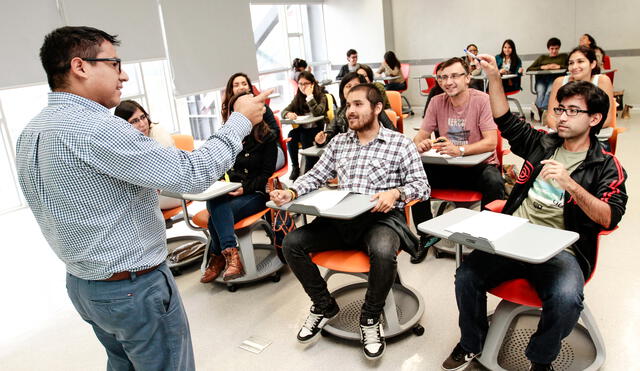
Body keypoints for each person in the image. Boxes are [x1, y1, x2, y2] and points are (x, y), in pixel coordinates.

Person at [15, 26, 270, 370]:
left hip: (85, 286)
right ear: (80, 66)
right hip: (133, 289)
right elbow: (194, 172)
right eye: (115, 63)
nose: (124, 75)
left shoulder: (32, 131)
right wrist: (239, 121)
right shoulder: (96, 128)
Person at [442, 53, 627, 371]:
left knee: (567, 298)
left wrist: (570, 184)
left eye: (573, 111)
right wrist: (495, 79)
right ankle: (472, 342)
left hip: (560, 250)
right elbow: (505, 120)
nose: (562, 117)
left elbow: (609, 216)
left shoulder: (605, 166)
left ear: (594, 119)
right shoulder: (544, 144)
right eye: (559, 109)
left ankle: (541, 358)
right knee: (466, 276)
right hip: (512, 237)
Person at [271, 84, 429, 360]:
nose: (350, 111)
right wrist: (292, 191)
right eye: (347, 105)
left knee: (382, 251)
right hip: (341, 218)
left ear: (377, 108)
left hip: (380, 218)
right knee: (292, 243)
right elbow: (316, 175)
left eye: (357, 105)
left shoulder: (399, 143)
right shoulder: (339, 142)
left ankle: (369, 318)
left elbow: (422, 186)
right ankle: (324, 306)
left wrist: (396, 193)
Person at [412, 57, 505, 263]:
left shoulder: (482, 100)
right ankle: (425, 236)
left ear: (468, 78)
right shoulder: (437, 101)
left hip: (478, 168)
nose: (448, 81)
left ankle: (486, 241)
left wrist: (460, 150)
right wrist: (421, 144)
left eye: (455, 75)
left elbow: (490, 142)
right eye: (443, 77)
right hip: (447, 168)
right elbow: (420, 136)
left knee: (494, 181)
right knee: (416, 176)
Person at [201, 92, 277, 283]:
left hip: (254, 193)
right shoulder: (227, 137)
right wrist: (222, 185)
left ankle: (218, 256)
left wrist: (244, 188)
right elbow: (217, 167)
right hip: (226, 193)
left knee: (215, 218)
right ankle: (231, 254)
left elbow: (265, 177)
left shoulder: (267, 137)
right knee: (216, 199)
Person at [114, 100, 180, 210]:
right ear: (123, 125)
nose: (142, 124)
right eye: (134, 121)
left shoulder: (157, 132)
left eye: (143, 117)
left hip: (172, 191)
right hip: (149, 193)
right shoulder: (124, 143)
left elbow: (167, 169)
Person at [315, 72, 396, 147]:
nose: (352, 90)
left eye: (356, 86)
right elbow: (329, 134)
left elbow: (393, 134)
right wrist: (321, 140)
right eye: (348, 86)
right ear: (342, 90)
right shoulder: (340, 112)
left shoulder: (373, 109)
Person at [221, 72, 284, 169]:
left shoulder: (261, 107)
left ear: (249, 88)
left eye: (244, 84)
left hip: (269, 151)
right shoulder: (230, 111)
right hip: (246, 155)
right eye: (236, 85)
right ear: (231, 90)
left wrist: (258, 142)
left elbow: (275, 131)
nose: (241, 87)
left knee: (250, 168)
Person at [546, 46, 615, 131]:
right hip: (562, 133)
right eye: (571, 63)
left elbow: (607, 119)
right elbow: (551, 117)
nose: (574, 67)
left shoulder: (602, 81)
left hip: (592, 133)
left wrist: (578, 133)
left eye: (580, 61)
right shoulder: (559, 82)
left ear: (593, 64)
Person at [281, 71, 328, 180]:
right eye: (300, 84)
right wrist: (288, 114)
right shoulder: (298, 98)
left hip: (317, 129)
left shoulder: (321, 96)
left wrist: (310, 97)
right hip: (304, 128)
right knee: (291, 135)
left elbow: (318, 112)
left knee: (304, 136)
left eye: (305, 84)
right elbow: (284, 111)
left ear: (312, 84)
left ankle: (310, 167)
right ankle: (295, 167)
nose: (303, 87)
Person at [527, 37, 569, 121]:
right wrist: (543, 67)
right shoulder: (542, 58)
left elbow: (569, 67)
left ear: (559, 48)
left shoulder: (564, 57)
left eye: (556, 49)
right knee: (541, 91)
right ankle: (542, 112)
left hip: (554, 79)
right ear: (548, 49)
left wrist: (559, 66)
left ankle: (538, 109)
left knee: (549, 91)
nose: (554, 51)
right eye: (552, 49)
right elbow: (529, 69)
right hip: (541, 80)